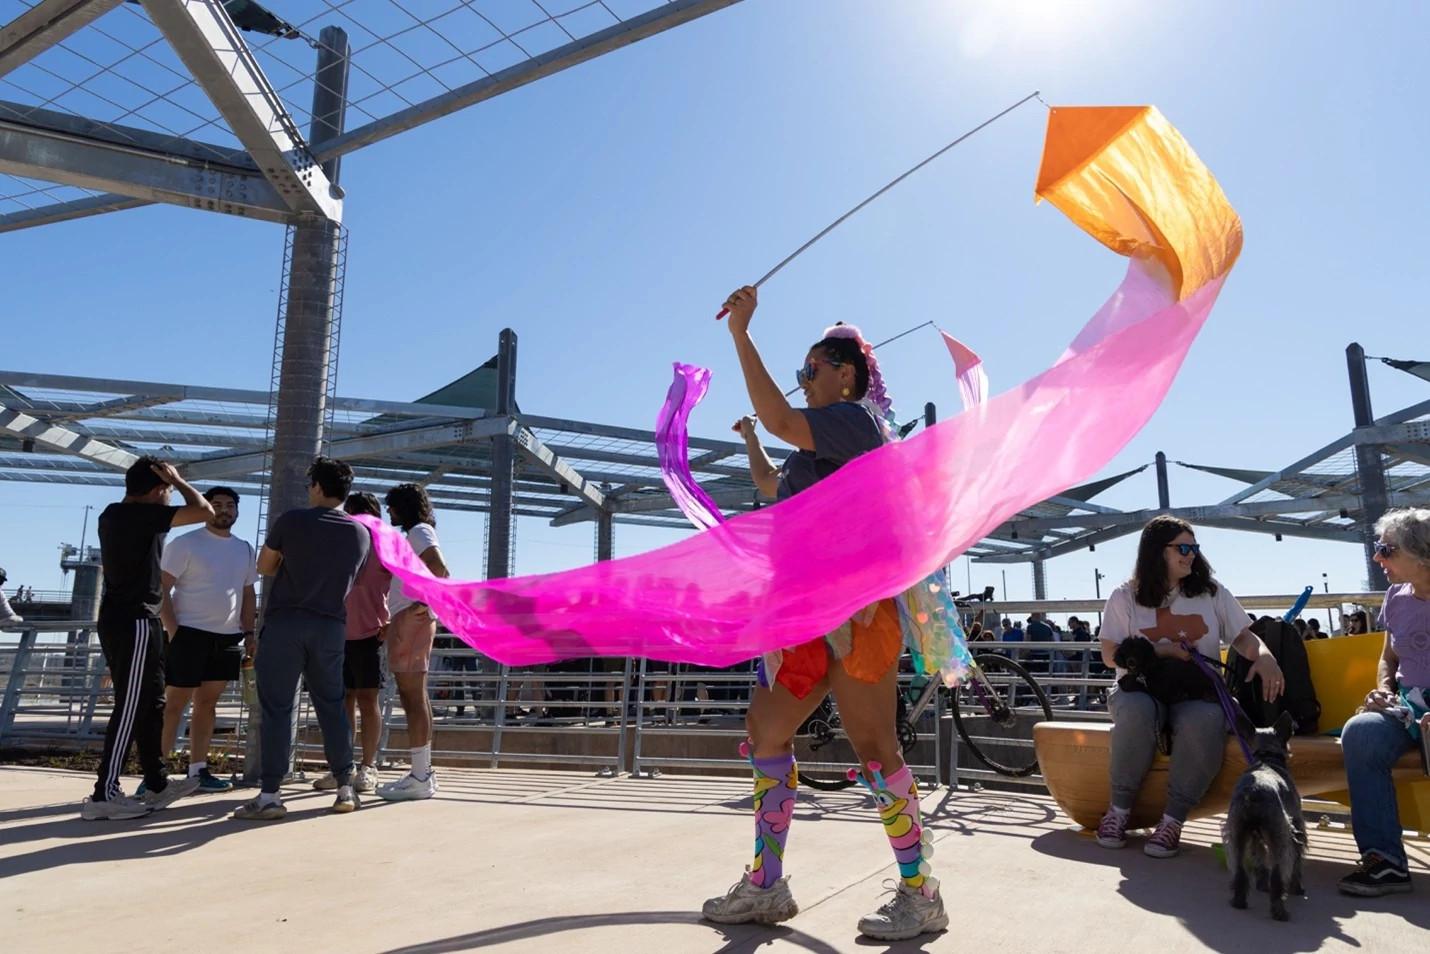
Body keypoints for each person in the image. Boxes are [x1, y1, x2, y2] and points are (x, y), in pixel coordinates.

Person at [700, 285, 947, 941]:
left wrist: (742, 336)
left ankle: (921, 893)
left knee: (874, 746)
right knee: (766, 732)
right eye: (801, 372)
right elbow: (772, 486)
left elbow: (783, 419)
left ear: (845, 373)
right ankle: (765, 885)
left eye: (810, 370)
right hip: (805, 614)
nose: (803, 380)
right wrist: (755, 438)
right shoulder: (811, 449)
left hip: (858, 613)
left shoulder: (856, 421)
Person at [1095, 516, 1285, 857]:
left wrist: (1265, 655)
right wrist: (1161, 651)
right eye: (1183, 548)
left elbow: (1242, 636)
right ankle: (1118, 810)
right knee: (1138, 711)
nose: (1191, 555)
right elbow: (1110, 655)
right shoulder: (1125, 596)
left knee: (1205, 720)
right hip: (1139, 688)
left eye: (1194, 548)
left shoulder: (1211, 592)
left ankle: (1172, 820)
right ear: (1157, 551)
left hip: (1195, 690)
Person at [233, 457, 369, 821]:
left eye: (311, 486)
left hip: (286, 623)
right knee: (332, 704)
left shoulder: (291, 520)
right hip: (331, 627)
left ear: (318, 487)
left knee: (277, 708)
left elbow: (265, 566)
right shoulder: (360, 532)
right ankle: (344, 787)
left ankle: (271, 795)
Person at [84, 457, 213, 820]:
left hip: (138, 621)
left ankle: (156, 782)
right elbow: (202, 511)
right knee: (129, 706)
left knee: (152, 702)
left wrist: (170, 480)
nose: (171, 497)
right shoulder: (137, 515)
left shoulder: (115, 514)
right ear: (158, 490)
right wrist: (179, 480)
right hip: (134, 622)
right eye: (169, 491)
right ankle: (104, 794)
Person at [1337, 508, 1430, 897]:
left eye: (1386, 550)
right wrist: (1384, 688)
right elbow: (1388, 658)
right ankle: (1386, 863)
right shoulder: (1395, 597)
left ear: (1423, 556)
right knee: (1360, 731)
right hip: (1407, 708)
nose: (1378, 558)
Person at [156, 486, 258, 792]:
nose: (224, 510)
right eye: (216, 504)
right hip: (188, 635)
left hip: (227, 638)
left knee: (207, 705)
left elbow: (248, 592)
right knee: (173, 705)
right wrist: (173, 629)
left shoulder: (245, 548)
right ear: (207, 509)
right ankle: (155, 774)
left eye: (230, 505)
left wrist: (250, 632)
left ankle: (197, 771)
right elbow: (161, 588)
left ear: (238, 511)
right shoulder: (185, 543)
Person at [376, 482, 450, 802]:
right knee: (415, 696)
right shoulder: (418, 533)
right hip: (409, 617)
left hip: (413, 618)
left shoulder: (419, 532)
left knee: (412, 697)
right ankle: (423, 771)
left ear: (404, 506)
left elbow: (440, 570)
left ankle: (420, 776)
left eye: (392, 505)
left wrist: (418, 606)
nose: (388, 511)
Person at [312, 492, 390, 794]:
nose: (358, 519)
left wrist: (393, 620)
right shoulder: (338, 544)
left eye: (365, 513)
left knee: (369, 701)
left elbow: (405, 584)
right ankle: (342, 767)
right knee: (342, 702)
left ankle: (368, 767)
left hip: (370, 634)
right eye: (353, 512)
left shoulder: (385, 548)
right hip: (335, 633)